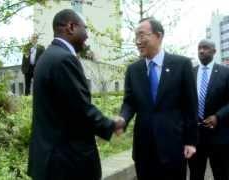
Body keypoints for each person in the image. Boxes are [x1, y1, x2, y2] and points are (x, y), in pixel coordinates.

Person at [27, 9, 125, 180]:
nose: (87, 35)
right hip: (67, 165)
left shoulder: (46, 57)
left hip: (48, 162)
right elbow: (80, 108)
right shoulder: (64, 59)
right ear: (71, 27)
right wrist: (110, 125)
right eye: (85, 29)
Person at [118, 17, 198, 180]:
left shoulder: (182, 64)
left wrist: (191, 141)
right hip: (143, 147)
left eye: (142, 36)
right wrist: (122, 119)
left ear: (158, 36)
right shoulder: (133, 70)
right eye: (136, 37)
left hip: (173, 145)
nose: (138, 42)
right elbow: (129, 102)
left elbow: (190, 105)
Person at [188, 40, 229, 180]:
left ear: (214, 51)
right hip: (195, 137)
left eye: (205, 48)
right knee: (195, 175)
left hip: (221, 136)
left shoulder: (227, 73)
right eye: (199, 48)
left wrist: (218, 116)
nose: (201, 51)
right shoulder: (190, 73)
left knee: (222, 175)